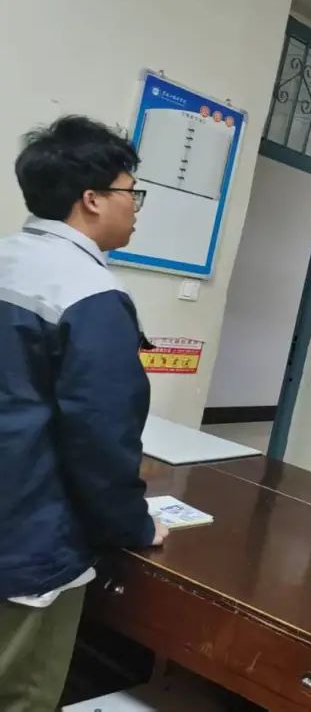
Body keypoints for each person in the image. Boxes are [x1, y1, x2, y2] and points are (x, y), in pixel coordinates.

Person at [0, 116, 168, 710]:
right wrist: (134, 525)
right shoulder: (88, 293)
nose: (135, 209)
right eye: (131, 192)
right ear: (92, 199)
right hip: (28, 541)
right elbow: (101, 437)